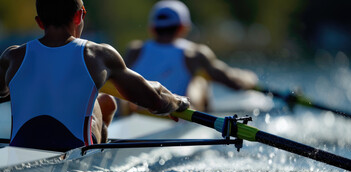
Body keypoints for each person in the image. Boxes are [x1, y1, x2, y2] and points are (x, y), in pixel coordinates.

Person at [0, 0, 189, 152]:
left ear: (39, 22)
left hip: (20, 152)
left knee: (104, 100)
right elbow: (155, 101)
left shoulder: (11, 57)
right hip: (75, 154)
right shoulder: (98, 55)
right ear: (79, 16)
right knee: (106, 101)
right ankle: (100, 153)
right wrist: (177, 102)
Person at [125, 0, 258, 112]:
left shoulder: (134, 50)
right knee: (201, 79)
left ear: (152, 28)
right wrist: (250, 79)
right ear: (184, 27)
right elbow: (232, 82)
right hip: (178, 116)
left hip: (138, 115)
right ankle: (203, 121)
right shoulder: (193, 54)